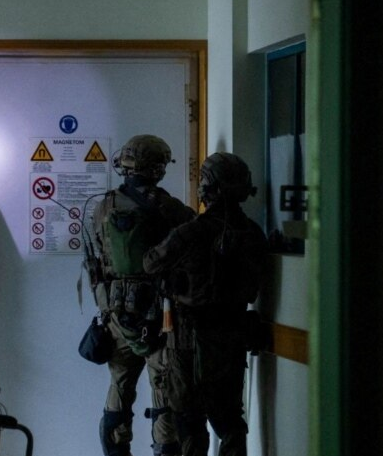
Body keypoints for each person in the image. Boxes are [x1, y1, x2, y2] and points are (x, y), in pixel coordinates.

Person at [143, 152, 267, 456]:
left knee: (189, 421)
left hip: (188, 338)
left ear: (207, 187)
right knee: (230, 420)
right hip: (231, 338)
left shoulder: (190, 231)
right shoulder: (253, 233)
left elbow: (150, 262)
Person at [87, 135, 195, 456]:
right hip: (159, 314)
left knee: (120, 386)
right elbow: (195, 236)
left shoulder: (103, 206)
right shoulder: (168, 207)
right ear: (157, 168)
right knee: (162, 386)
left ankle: (116, 450)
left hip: (116, 314)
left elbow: (100, 255)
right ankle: (165, 449)